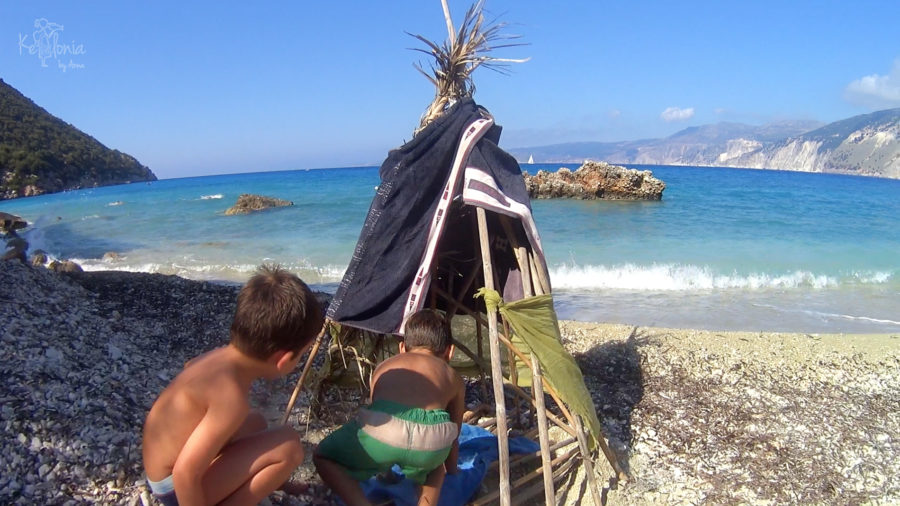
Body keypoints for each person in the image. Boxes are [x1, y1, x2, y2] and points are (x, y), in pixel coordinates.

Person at [142, 264, 323, 506]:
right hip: (177, 489)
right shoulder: (231, 399)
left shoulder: (218, 358)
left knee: (256, 423)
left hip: (162, 470)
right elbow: (186, 474)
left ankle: (266, 479)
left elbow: (190, 370)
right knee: (289, 447)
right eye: (301, 355)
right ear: (283, 360)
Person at [314, 309, 466, 506]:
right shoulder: (452, 376)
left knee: (323, 455)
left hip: (384, 432)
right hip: (431, 440)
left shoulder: (386, 365)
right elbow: (454, 434)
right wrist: (452, 470)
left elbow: (376, 412)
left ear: (402, 348)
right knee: (436, 469)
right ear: (450, 352)